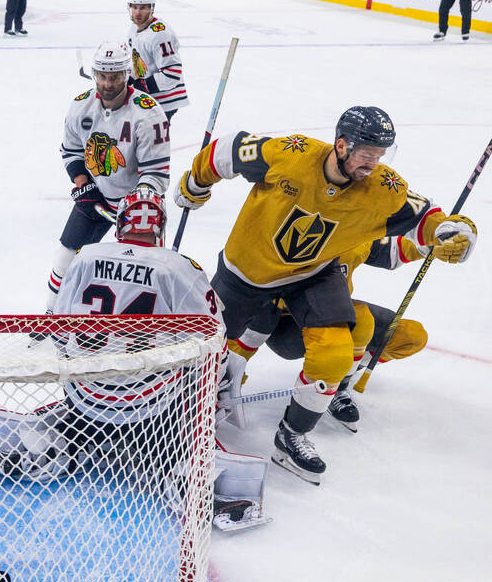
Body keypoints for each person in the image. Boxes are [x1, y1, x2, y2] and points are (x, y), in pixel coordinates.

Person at [174, 106, 477, 483]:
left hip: (314, 274)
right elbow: (229, 150)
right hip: (247, 272)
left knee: (335, 351)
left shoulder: (382, 188)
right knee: (205, 350)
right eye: (367, 154)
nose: (374, 163)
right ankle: (182, 410)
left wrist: (450, 231)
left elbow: (424, 217)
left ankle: (292, 435)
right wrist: (195, 184)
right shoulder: (292, 154)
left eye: (381, 155)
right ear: (342, 145)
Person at [0, 194, 270, 531]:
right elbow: (214, 335)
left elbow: (58, 327)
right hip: (153, 407)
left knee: (86, 385)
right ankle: (187, 465)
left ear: (120, 225)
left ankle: (51, 437)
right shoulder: (180, 266)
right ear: (160, 227)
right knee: (215, 365)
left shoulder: (85, 256)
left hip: (86, 398)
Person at [240, 235, 431, 433]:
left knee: (410, 336)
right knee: (360, 321)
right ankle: (296, 427)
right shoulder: (302, 233)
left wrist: (434, 238)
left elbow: (391, 249)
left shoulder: (354, 228)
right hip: (285, 325)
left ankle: (339, 384)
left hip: (333, 310)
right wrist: (230, 374)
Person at [43, 40, 171, 317]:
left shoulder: (148, 113)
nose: (108, 83)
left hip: (138, 208)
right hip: (97, 198)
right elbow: (71, 150)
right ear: (94, 74)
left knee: (138, 274)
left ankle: (139, 327)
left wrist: (138, 206)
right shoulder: (81, 107)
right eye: (102, 76)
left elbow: (156, 173)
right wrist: (82, 183)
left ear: (127, 74)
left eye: (114, 77)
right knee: (65, 258)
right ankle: (52, 316)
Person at [125, 0, 188, 121]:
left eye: (142, 8)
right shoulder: (134, 29)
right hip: (149, 97)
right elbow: (140, 62)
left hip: (165, 100)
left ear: (151, 8)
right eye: (134, 7)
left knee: (151, 138)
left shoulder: (160, 34)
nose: (137, 12)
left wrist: (141, 85)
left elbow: (172, 73)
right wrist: (127, 78)